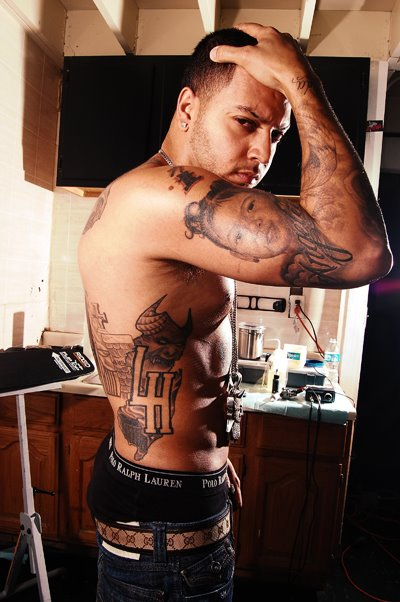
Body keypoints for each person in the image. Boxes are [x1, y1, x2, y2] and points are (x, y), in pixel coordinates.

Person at [78, 23, 392, 602]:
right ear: (188, 107)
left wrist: (211, 462)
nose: (263, 153)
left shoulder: (182, 199)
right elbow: (361, 250)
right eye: (246, 123)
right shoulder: (160, 197)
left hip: (169, 507)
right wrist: (300, 79)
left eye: (277, 133)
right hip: (164, 538)